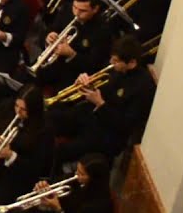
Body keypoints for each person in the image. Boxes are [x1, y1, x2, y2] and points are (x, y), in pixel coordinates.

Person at [47, 35, 157, 168]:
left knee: (62, 152)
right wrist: (86, 84)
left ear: (132, 63)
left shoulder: (144, 87)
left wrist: (101, 104)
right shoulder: (115, 69)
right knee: (51, 119)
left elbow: (125, 125)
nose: (111, 62)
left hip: (108, 134)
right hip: (91, 113)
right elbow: (101, 88)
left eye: (116, 61)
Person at [3, 154, 115, 213]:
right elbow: (56, 182)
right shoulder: (76, 179)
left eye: (82, 174)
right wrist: (45, 186)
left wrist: (58, 209)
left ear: (94, 178)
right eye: (77, 170)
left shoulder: (99, 206)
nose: (76, 175)